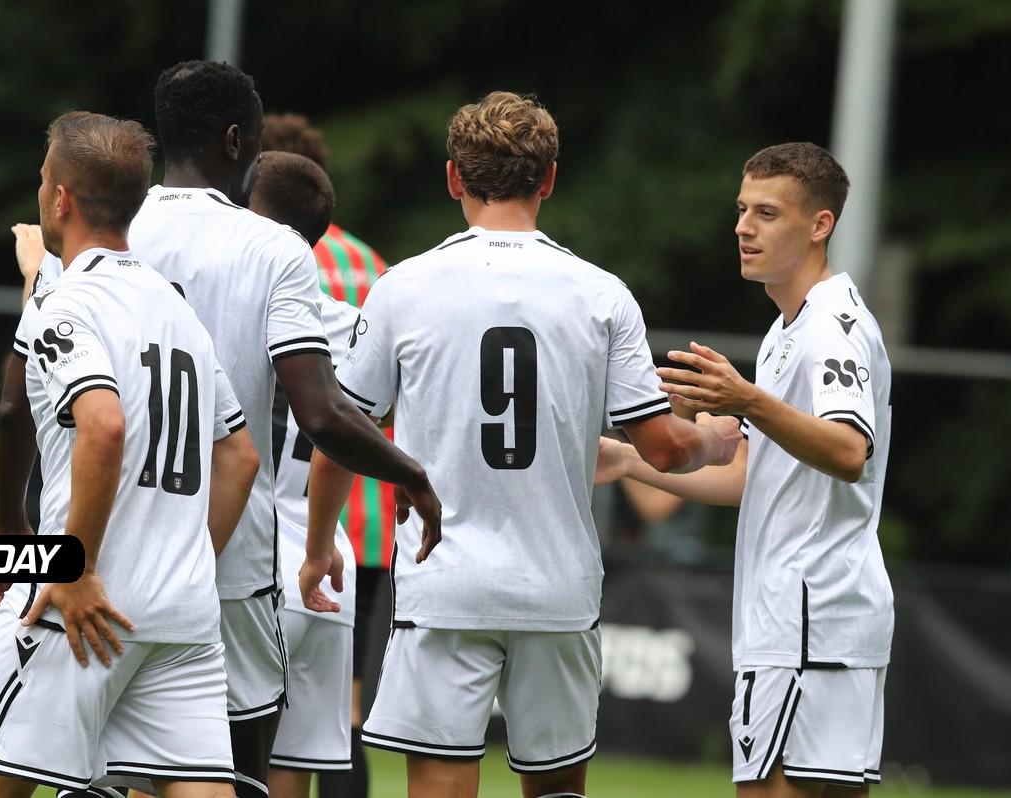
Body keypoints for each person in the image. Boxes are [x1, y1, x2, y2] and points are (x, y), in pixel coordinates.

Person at [303, 91, 741, 798]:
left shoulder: (402, 288)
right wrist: (714, 444)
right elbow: (662, 449)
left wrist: (320, 545)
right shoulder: (601, 294)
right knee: (558, 789)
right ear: (550, 179)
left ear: (454, 178)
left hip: (444, 583)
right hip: (557, 586)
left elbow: (340, 436)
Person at [125, 61, 442, 798]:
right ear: (237, 141)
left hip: (120, 533)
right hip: (256, 549)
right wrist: (411, 473)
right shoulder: (294, 259)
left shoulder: (112, 225)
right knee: (253, 767)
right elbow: (329, 412)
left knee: (116, 762)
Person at [0, 110, 260, 798]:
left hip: (81, 605)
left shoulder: (68, 304)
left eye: (42, 179)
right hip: (181, 614)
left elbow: (104, 425)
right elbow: (240, 457)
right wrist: (181, 560)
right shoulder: (178, 312)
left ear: (60, 197)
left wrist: (80, 566)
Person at [599, 142, 893, 797]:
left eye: (767, 213)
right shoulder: (786, 329)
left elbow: (850, 452)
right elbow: (749, 478)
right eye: (741, 210)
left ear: (819, 225)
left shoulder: (833, 326)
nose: (743, 227)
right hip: (805, 620)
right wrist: (627, 459)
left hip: (810, 615)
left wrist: (747, 399)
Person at [261, 111, 392, 798]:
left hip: (272, 525)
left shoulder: (246, 267)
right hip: (358, 525)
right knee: (337, 713)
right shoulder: (371, 267)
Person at [246, 151, 359, 798]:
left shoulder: (226, 308)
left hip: (245, 565)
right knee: (288, 767)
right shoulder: (350, 324)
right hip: (326, 565)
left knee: (177, 765)